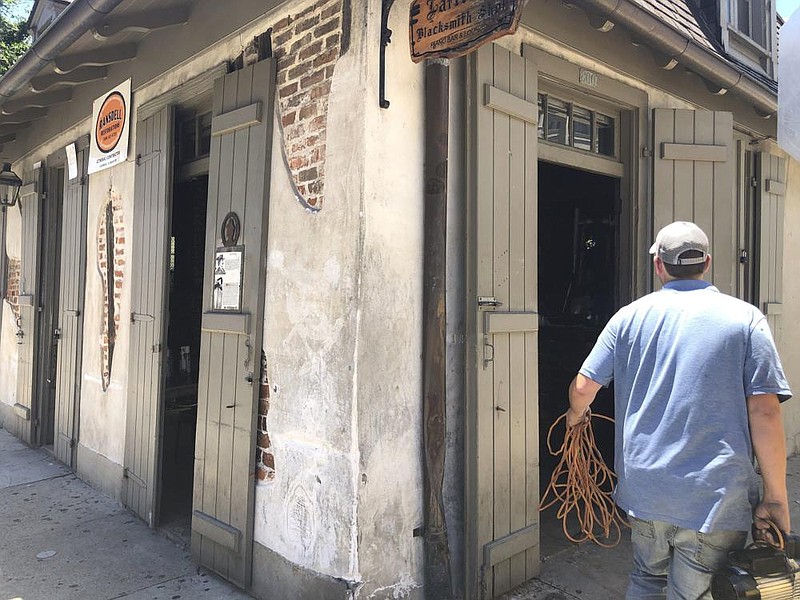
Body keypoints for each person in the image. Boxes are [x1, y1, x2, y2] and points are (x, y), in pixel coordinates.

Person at [567, 221, 792, 599]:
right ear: (706, 263)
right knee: (695, 591)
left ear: (659, 265)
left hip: (645, 491)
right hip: (714, 497)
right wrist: (776, 497)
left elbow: (583, 387)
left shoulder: (628, 317)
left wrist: (577, 417)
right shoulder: (745, 318)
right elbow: (766, 413)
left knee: (645, 578)